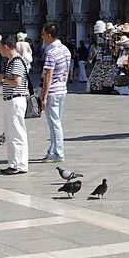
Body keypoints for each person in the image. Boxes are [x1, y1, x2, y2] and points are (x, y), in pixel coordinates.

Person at [0, 36, 30, 173]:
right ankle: (14, 164)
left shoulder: (17, 61)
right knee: (10, 133)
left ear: (6, 46)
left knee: (17, 133)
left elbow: (17, 82)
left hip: (15, 100)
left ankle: (20, 165)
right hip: (10, 100)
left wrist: (3, 78)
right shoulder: (12, 61)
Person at [39, 23, 71, 162]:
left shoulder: (51, 53)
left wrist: (44, 96)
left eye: (43, 35)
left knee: (54, 124)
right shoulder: (65, 50)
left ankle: (59, 153)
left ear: (49, 36)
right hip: (62, 89)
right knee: (56, 122)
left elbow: (48, 76)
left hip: (52, 91)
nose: (42, 37)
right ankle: (52, 149)